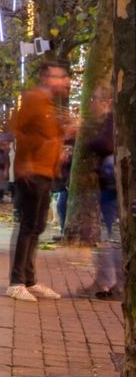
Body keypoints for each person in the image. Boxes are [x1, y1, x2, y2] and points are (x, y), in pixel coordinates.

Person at [7, 61, 71, 302]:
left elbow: (45, 135)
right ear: (47, 78)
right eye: (59, 77)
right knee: (28, 226)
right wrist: (26, 163)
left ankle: (29, 279)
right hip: (33, 173)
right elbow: (19, 130)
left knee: (36, 228)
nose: (64, 81)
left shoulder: (48, 105)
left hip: (45, 172)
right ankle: (16, 282)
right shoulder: (34, 99)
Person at [86, 88, 120, 300]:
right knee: (112, 235)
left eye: (95, 98)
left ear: (106, 101)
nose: (93, 103)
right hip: (112, 185)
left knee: (109, 236)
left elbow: (105, 143)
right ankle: (112, 282)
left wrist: (87, 141)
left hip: (111, 186)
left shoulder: (112, 119)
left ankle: (108, 283)